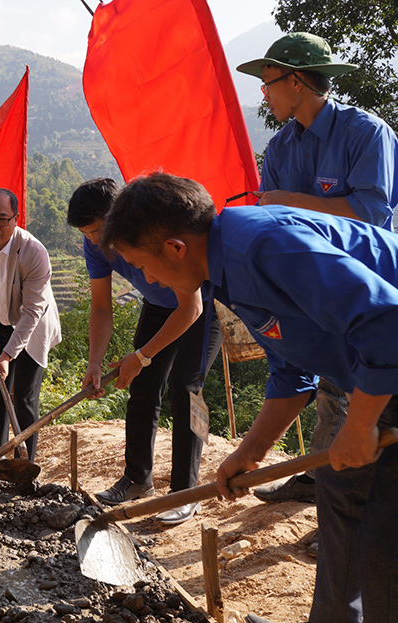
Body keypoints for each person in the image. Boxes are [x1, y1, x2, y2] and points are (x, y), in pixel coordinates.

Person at [101, 171, 398, 623]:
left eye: (144, 266)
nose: (149, 280)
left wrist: (358, 426)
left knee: (382, 533)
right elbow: (292, 368)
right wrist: (250, 452)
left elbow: (386, 323)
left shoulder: (262, 248)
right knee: (340, 490)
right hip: (375, 371)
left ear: (175, 248)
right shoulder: (225, 273)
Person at [236, 32, 398, 504]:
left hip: (371, 286)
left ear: (298, 81)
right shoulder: (282, 147)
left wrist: (291, 203)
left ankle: (342, 495)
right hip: (310, 288)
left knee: (364, 385)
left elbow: (371, 216)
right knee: (327, 377)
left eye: (268, 82)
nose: (262, 93)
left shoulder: (366, 133)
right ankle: (328, 485)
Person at [67, 179, 222, 524]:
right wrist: (95, 363)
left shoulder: (149, 232)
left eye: (96, 230)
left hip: (203, 305)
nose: (93, 239)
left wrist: (141, 355)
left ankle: (185, 491)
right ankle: (138, 479)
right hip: (158, 305)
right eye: (87, 233)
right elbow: (102, 308)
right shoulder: (95, 245)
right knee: (141, 385)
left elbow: (190, 308)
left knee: (186, 388)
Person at [0, 188, 61, 461]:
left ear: (15, 219)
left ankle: (24, 463)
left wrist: (8, 355)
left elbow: (32, 311)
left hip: (33, 325)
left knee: (25, 397)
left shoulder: (33, 252)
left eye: (1, 219)